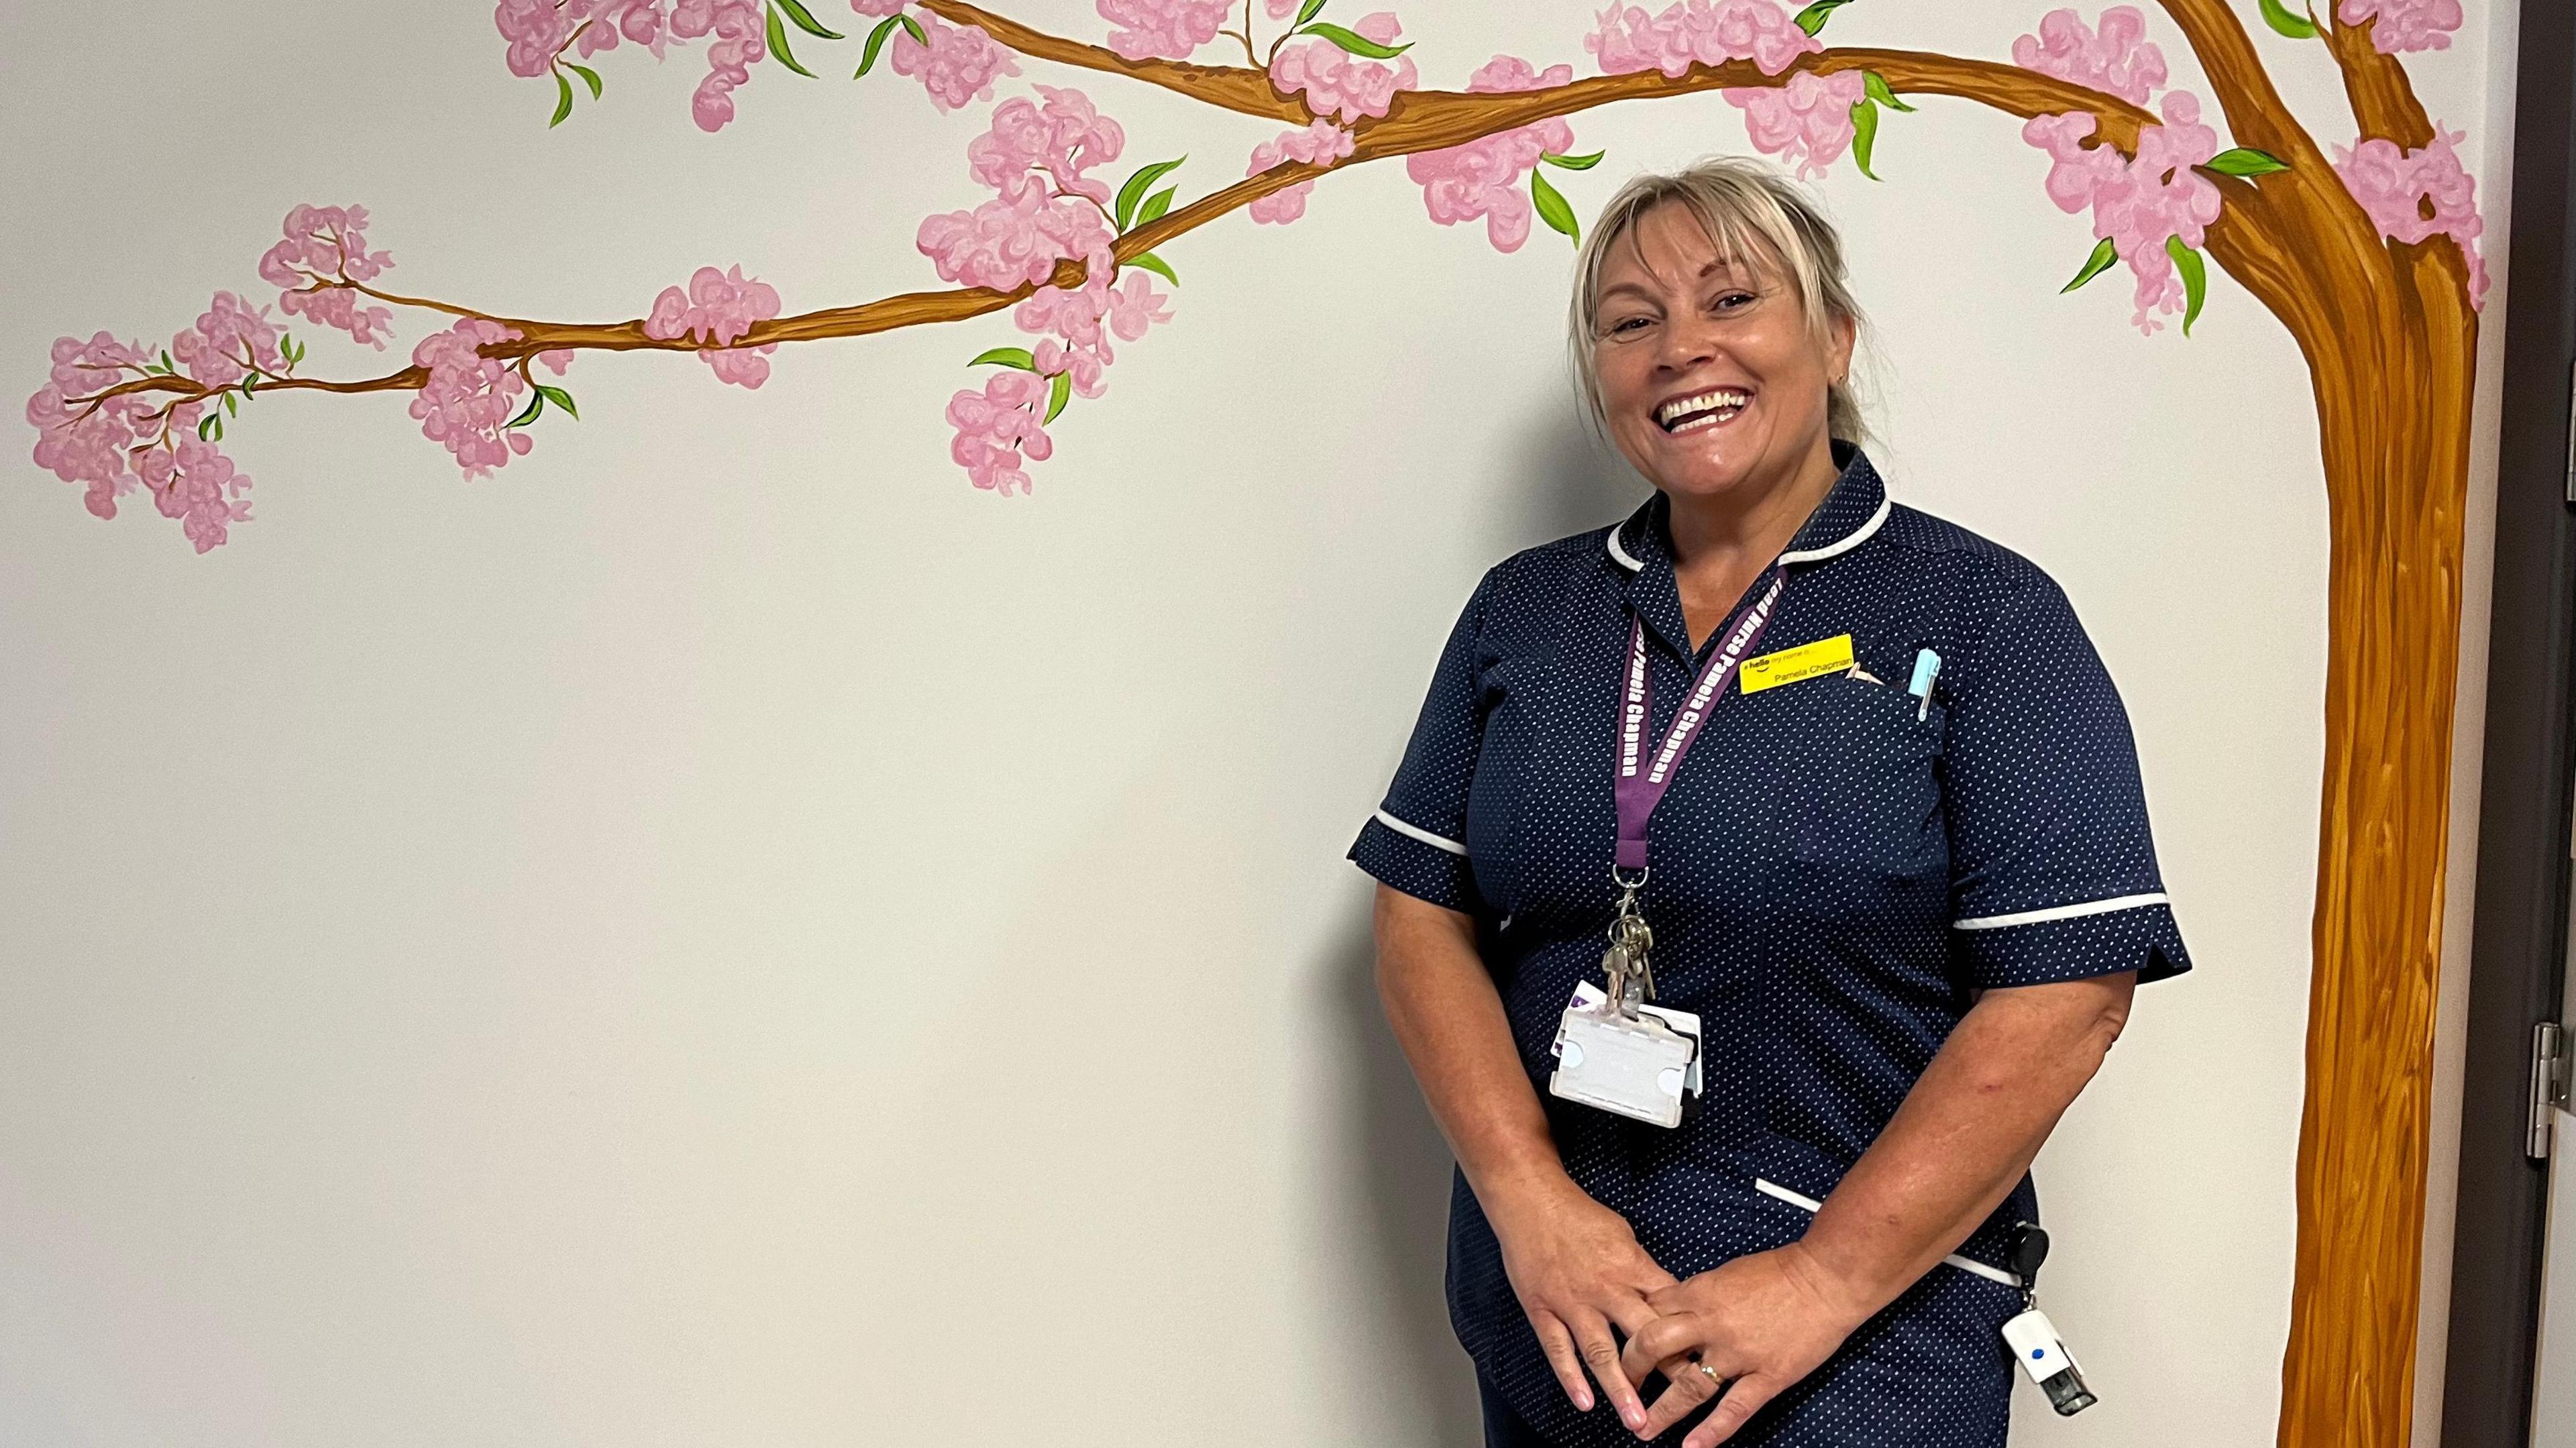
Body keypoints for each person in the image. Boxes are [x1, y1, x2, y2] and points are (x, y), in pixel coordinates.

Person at [1347, 156, 2191, 1448]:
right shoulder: (1529, 611)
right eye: (1631, 323)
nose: (1681, 350)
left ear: (1835, 339)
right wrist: (1530, 1205)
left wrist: (1822, 1280)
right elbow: (1419, 912)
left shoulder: (1985, 616)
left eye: (1731, 301)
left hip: (1853, 1361)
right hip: (1564, 1333)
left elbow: (2069, 993)